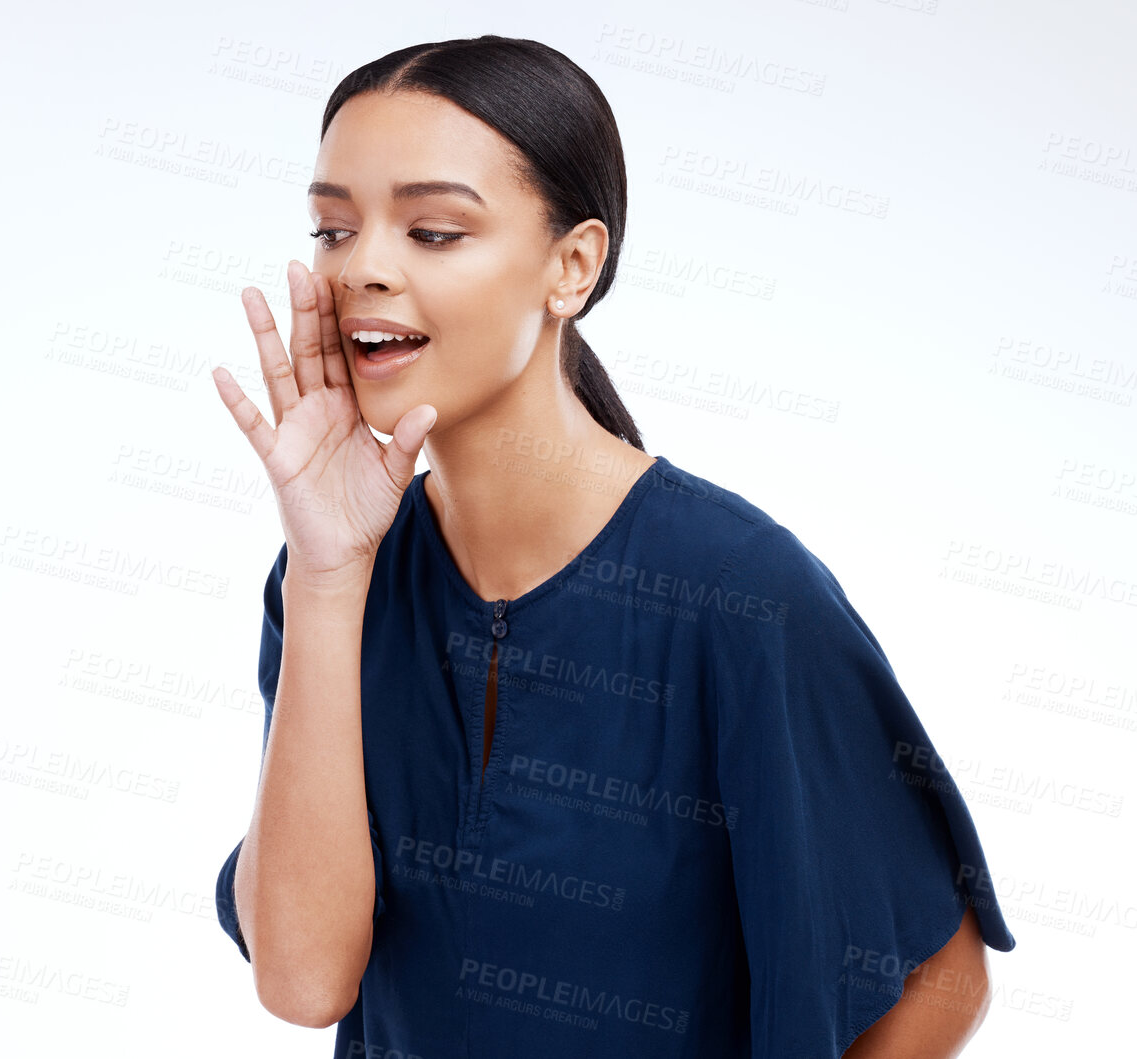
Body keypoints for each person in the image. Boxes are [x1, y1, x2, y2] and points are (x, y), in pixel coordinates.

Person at [206, 35, 1015, 1059]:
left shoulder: (741, 594)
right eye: (333, 228)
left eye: (435, 231)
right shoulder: (337, 580)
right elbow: (304, 979)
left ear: (572, 266)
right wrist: (325, 576)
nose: (362, 266)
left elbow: (938, 979)